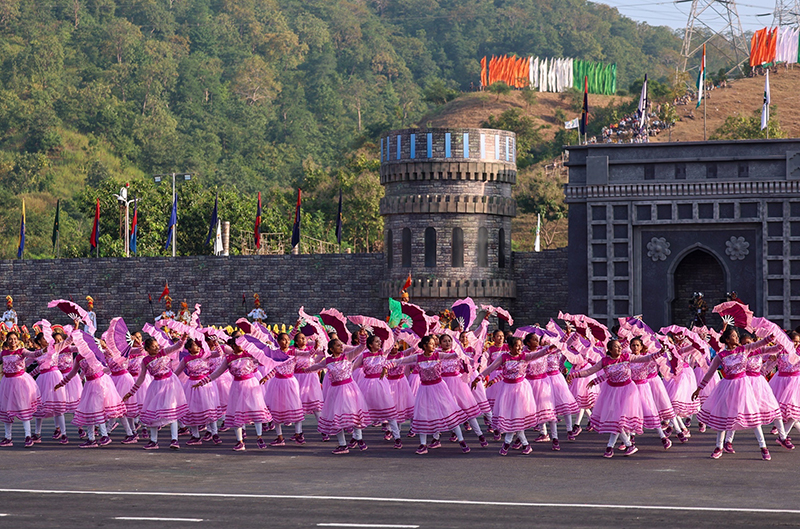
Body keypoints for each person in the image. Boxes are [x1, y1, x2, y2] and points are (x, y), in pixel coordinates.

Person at [692, 328, 783, 460]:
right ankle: (719, 447)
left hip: (743, 386)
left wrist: (772, 336)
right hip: (727, 387)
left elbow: (760, 344)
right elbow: (710, 373)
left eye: (736, 335)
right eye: (734, 336)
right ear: (727, 339)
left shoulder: (744, 349)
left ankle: (763, 447)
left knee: (752, 417)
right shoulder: (721, 356)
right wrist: (699, 388)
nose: (736, 338)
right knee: (724, 416)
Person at [567, 339, 667, 458]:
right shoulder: (605, 361)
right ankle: (626, 445)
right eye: (616, 347)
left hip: (627, 391)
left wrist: (660, 352)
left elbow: (645, 358)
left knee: (618, 420)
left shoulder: (626, 357)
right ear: (609, 350)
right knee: (615, 420)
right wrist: (573, 375)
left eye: (620, 346)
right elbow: (589, 371)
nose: (619, 348)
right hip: (612, 392)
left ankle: (613, 447)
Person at [302, 338, 370, 454]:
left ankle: (359, 438)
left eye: (341, 345)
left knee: (354, 413)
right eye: (338, 346)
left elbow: (361, 347)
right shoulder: (328, 361)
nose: (341, 347)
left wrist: (362, 336)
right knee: (336, 418)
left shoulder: (347, 356)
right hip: (335, 391)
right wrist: (305, 370)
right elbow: (316, 366)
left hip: (349, 388)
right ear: (331, 349)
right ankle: (342, 444)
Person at [123, 335, 189, 450]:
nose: (157, 347)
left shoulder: (163, 352)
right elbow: (141, 377)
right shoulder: (145, 360)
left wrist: (182, 339)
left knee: (171, 411)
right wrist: (132, 392)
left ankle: (174, 440)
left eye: (157, 345)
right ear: (147, 349)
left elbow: (176, 346)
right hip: (156, 385)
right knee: (153, 413)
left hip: (170, 383)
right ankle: (153, 441)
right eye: (153, 346)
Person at [0, 331, 41, 447]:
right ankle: (8, 437)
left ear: (18, 340)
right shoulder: (3, 353)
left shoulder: (21, 351)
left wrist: (44, 351)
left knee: (23, 408)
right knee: (6, 409)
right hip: (7, 382)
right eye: (10, 339)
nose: (13, 341)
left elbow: (33, 354)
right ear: (7, 340)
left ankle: (28, 436)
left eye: (15, 339)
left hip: (20, 382)